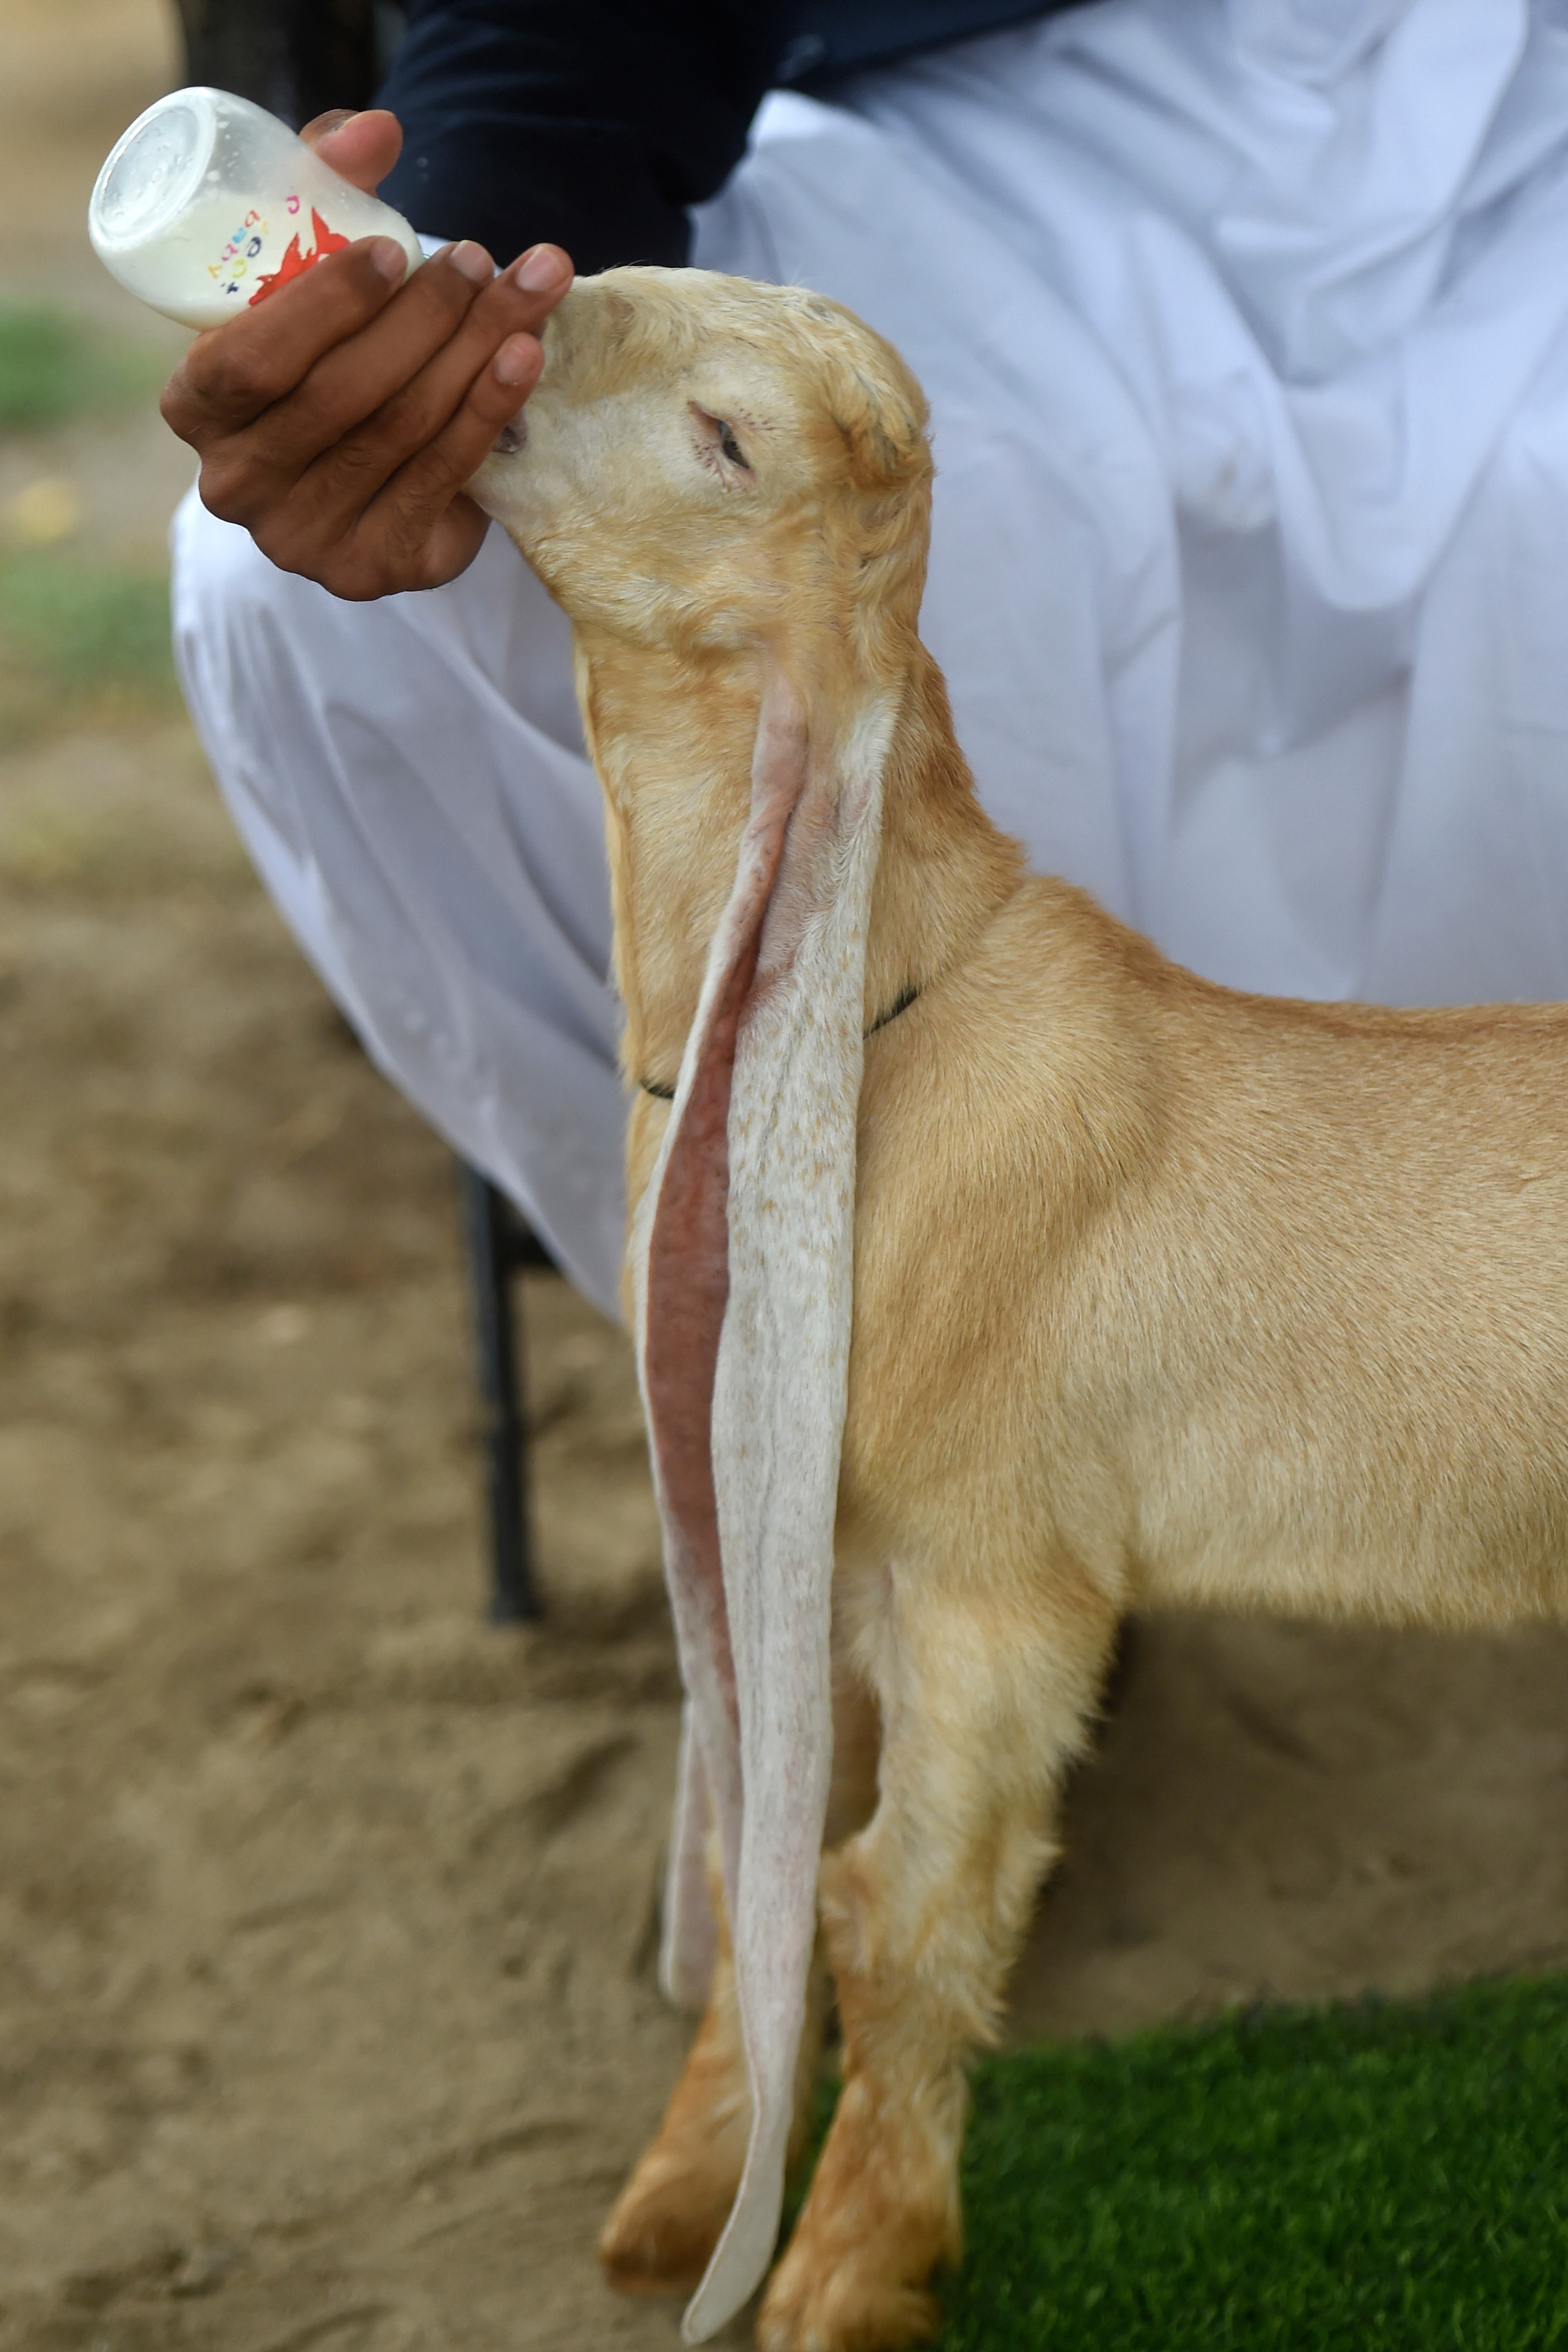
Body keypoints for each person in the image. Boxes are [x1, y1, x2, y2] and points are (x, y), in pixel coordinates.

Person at [165, 0, 1568, 1319]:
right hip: (944, 130)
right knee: (320, 592)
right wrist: (454, 298)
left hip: (1518, 122)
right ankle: (874, 1379)